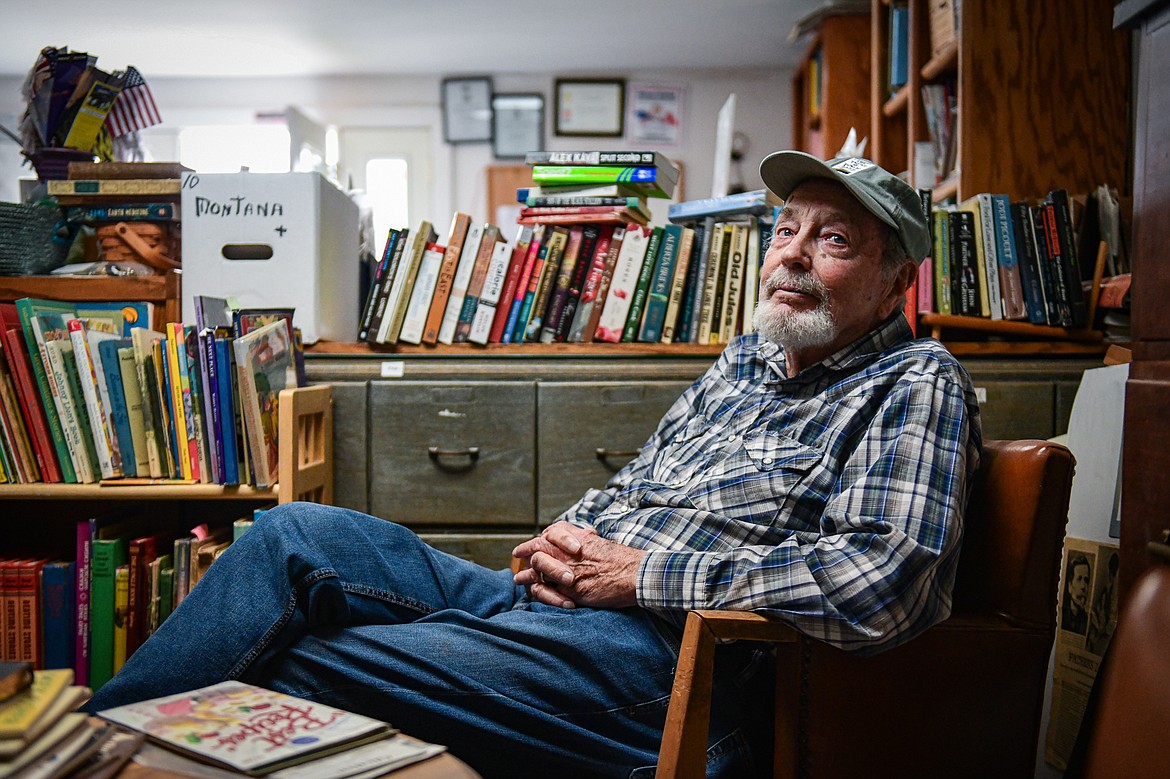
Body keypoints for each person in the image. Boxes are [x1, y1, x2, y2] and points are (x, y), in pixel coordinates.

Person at [86, 152, 982, 778]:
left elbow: (881, 580)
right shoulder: (746, 359)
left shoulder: (916, 380)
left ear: (896, 280)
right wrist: (574, 536)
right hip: (566, 607)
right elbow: (646, 481)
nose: (790, 251)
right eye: (787, 228)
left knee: (310, 663)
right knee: (293, 536)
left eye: (833, 239)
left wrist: (642, 575)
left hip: (670, 666)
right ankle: (84, 751)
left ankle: (99, 761)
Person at [1062, 552, 1092, 635]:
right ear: (1070, 586)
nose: (1083, 586)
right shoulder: (1062, 617)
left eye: (1086, 580)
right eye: (1079, 579)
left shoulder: (1087, 621)